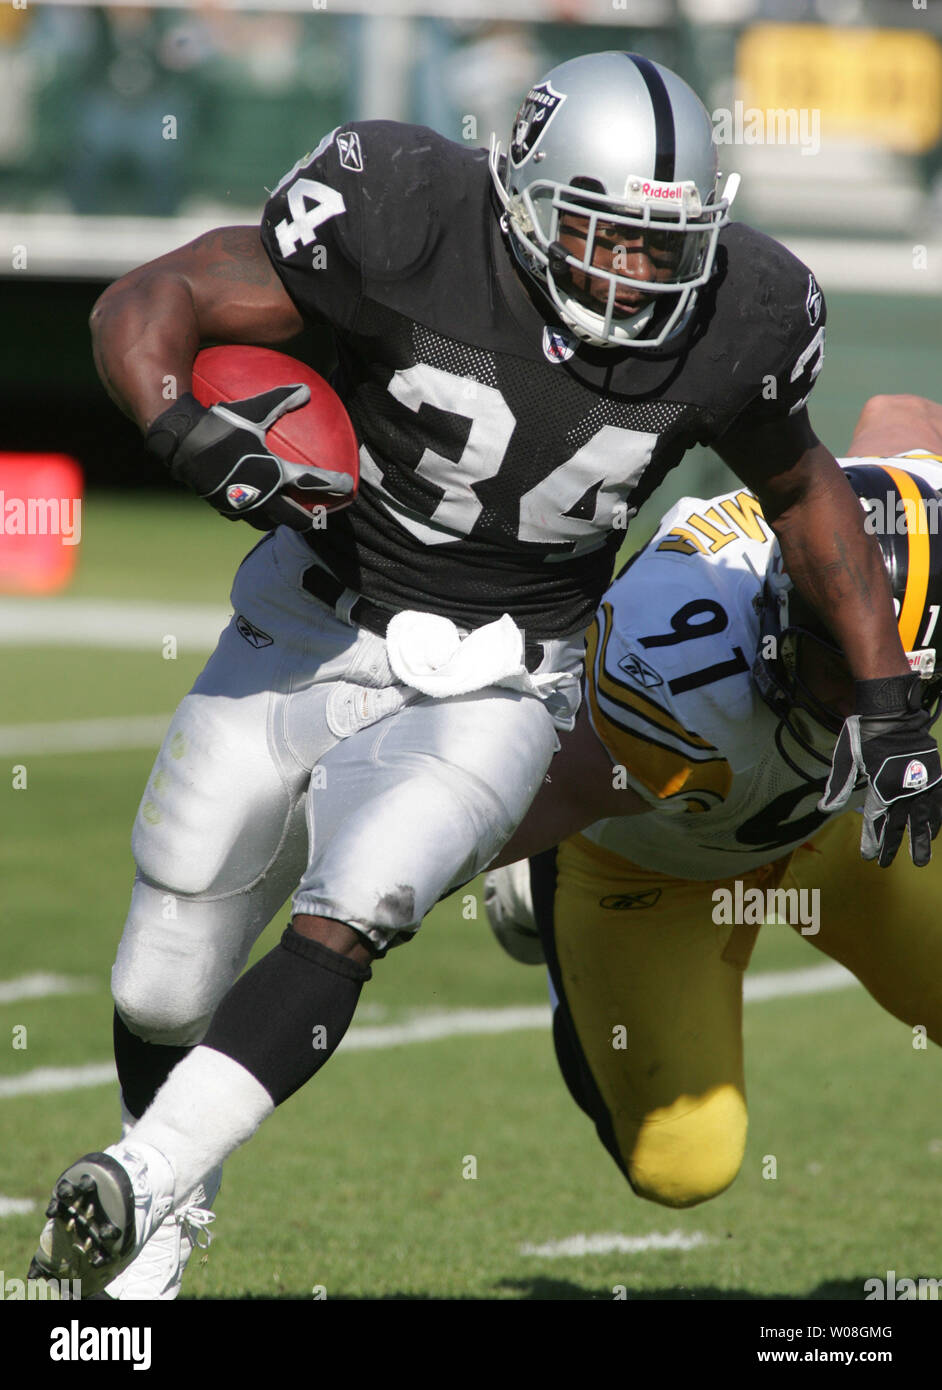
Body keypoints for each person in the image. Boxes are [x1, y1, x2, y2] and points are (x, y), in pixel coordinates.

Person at [29, 53, 941, 1299]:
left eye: (667, 248)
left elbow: (805, 478)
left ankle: (146, 1189)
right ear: (524, 191)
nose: (642, 276)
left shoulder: (744, 313)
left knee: (359, 909)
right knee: (161, 972)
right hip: (314, 613)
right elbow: (154, 297)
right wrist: (182, 426)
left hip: (510, 672)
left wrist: (890, 697)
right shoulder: (402, 216)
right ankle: (175, 1164)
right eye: (610, 238)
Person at [484, 392, 942, 1209]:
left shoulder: (914, 523)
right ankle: (545, 892)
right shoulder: (677, 679)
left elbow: (900, 409)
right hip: (653, 869)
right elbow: (482, 818)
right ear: (781, 616)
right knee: (683, 1164)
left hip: (840, 836)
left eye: (906, 685)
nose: (865, 703)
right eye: (845, 671)